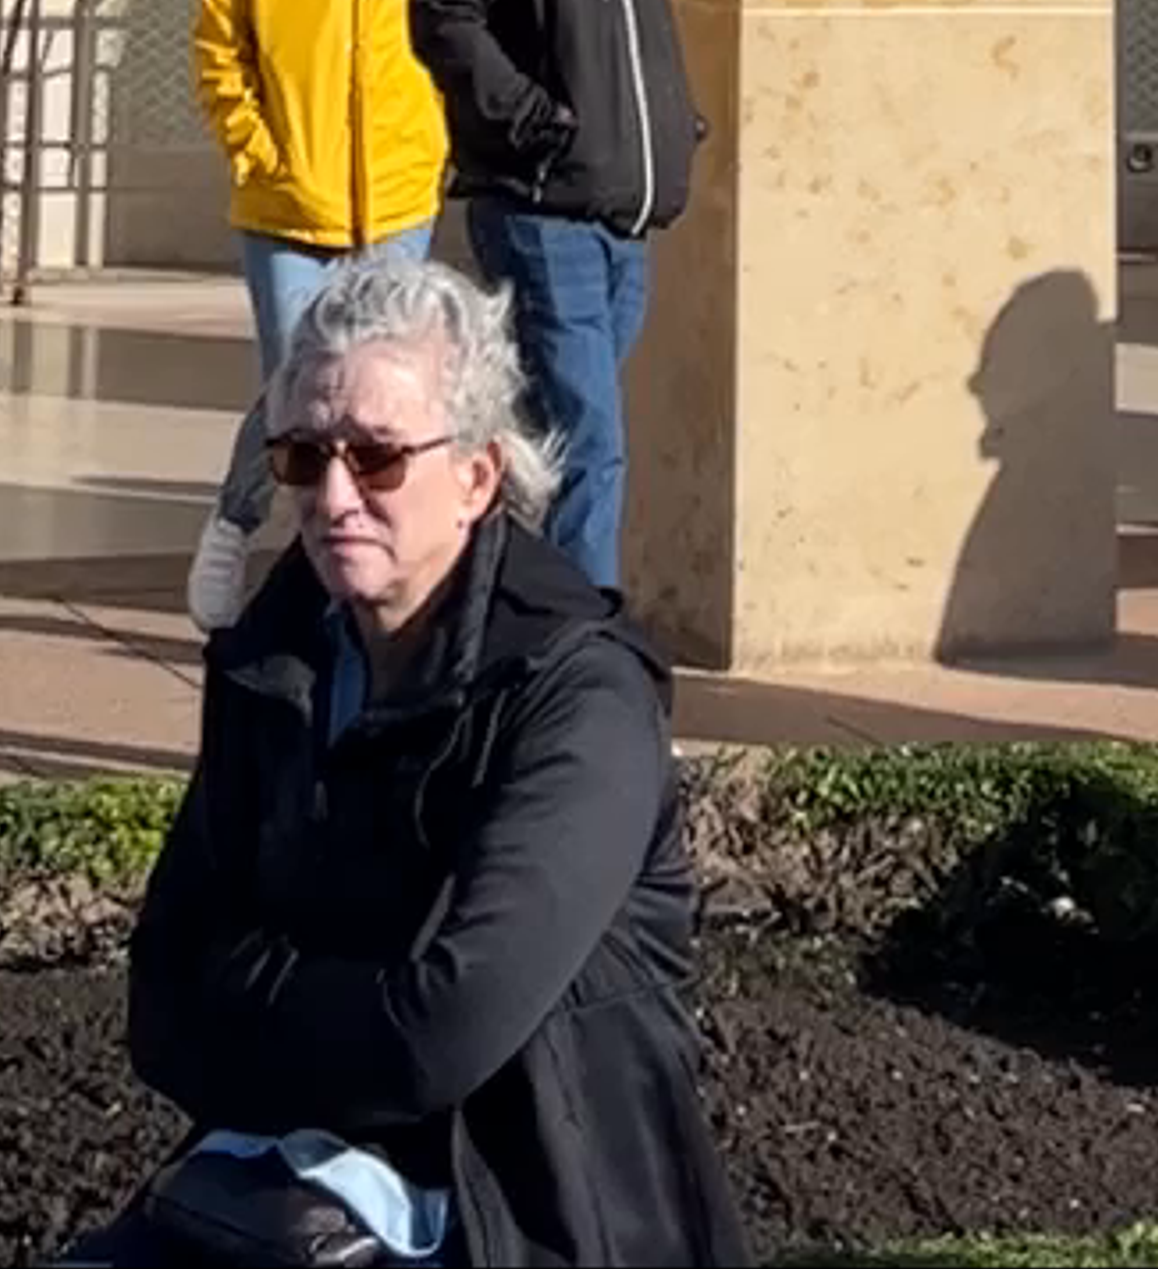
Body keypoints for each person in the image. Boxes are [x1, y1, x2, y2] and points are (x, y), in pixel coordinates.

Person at [69, 237, 746, 1269]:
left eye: (377, 454)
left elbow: (449, 1027)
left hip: (541, 1213)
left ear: (477, 474)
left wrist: (260, 990)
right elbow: (163, 996)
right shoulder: (275, 650)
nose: (334, 494)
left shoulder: (578, 693)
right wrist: (368, 998)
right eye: (304, 452)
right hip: (291, 1187)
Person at [408, 0, 698, 594]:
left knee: (543, 441)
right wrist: (536, 118)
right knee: (591, 446)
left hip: (624, 208)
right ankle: (578, 665)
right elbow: (445, 14)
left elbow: (637, 18)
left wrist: (668, 118)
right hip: (540, 205)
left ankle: (483, 614)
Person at [184, 0, 444, 633]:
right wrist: (261, 147)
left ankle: (336, 579)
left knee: (374, 392)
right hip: (289, 206)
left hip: (399, 199)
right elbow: (220, 45)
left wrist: (436, 134)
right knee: (300, 388)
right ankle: (235, 519)